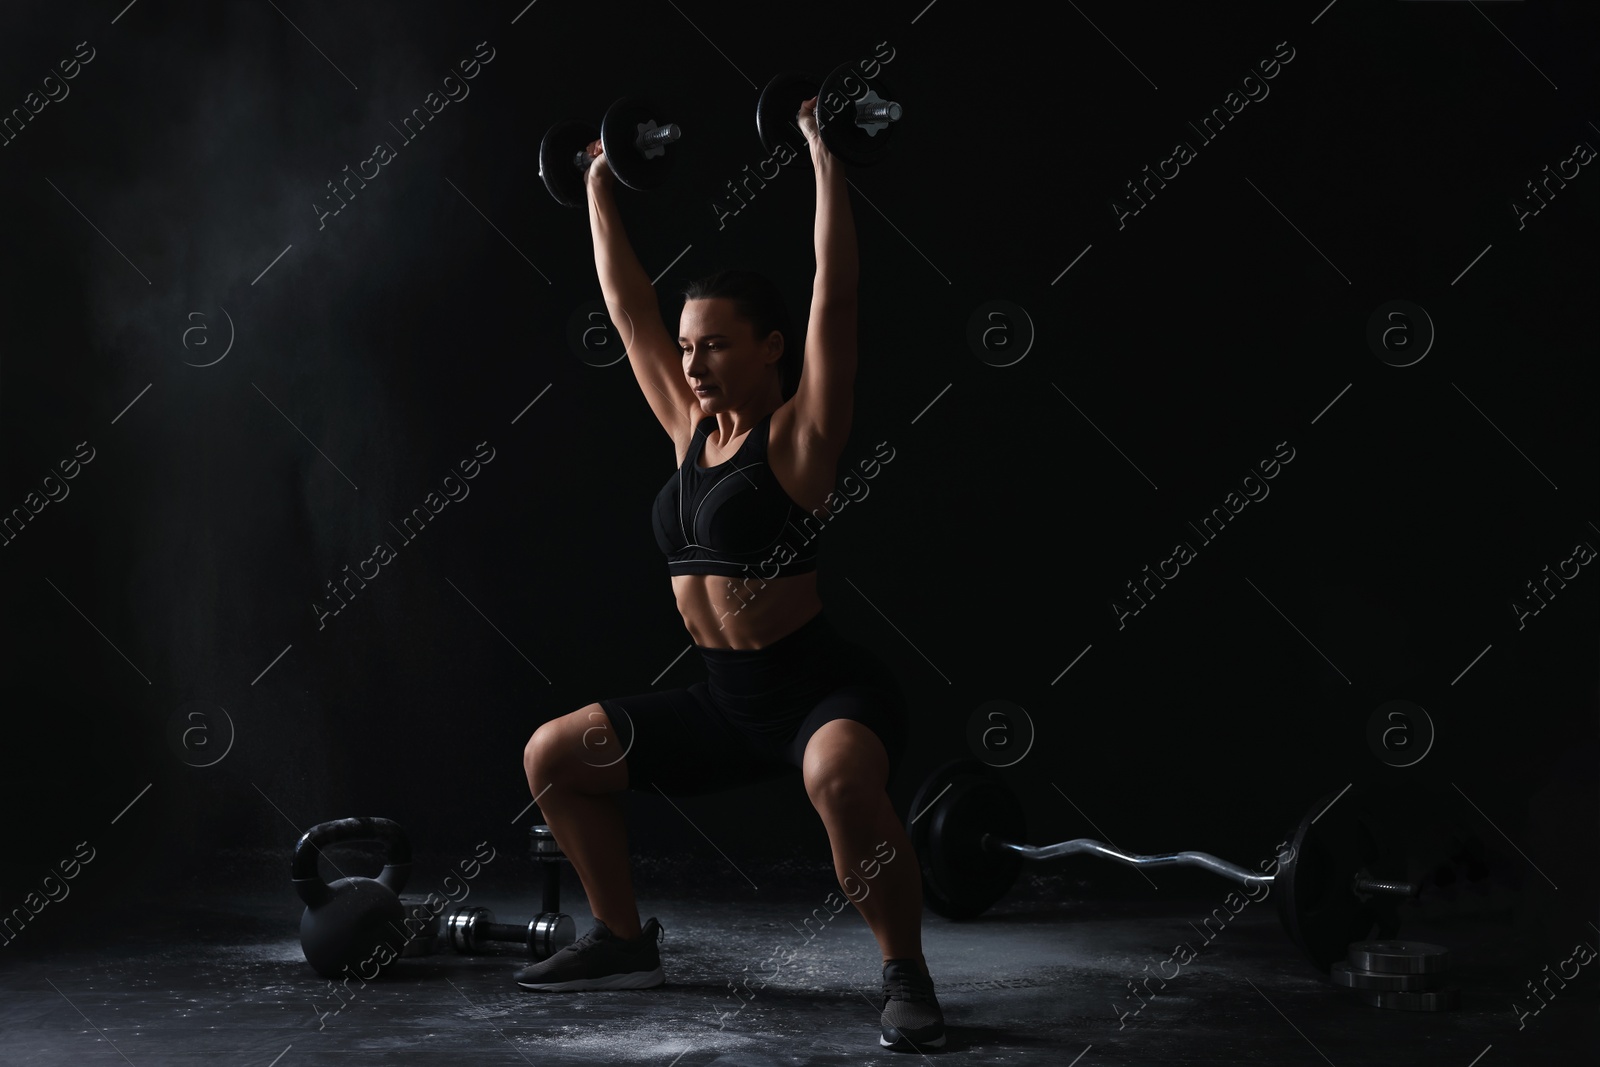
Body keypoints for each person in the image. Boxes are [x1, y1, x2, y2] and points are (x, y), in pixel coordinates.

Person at [518, 97, 944, 1053]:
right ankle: (624, 940)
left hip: (820, 692)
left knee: (836, 776)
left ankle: (906, 974)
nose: (693, 361)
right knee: (552, 755)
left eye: (713, 344)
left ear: (770, 348)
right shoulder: (685, 428)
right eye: (688, 346)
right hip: (723, 703)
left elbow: (835, 289)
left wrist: (824, 155)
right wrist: (596, 180)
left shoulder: (801, 440)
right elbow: (627, 305)